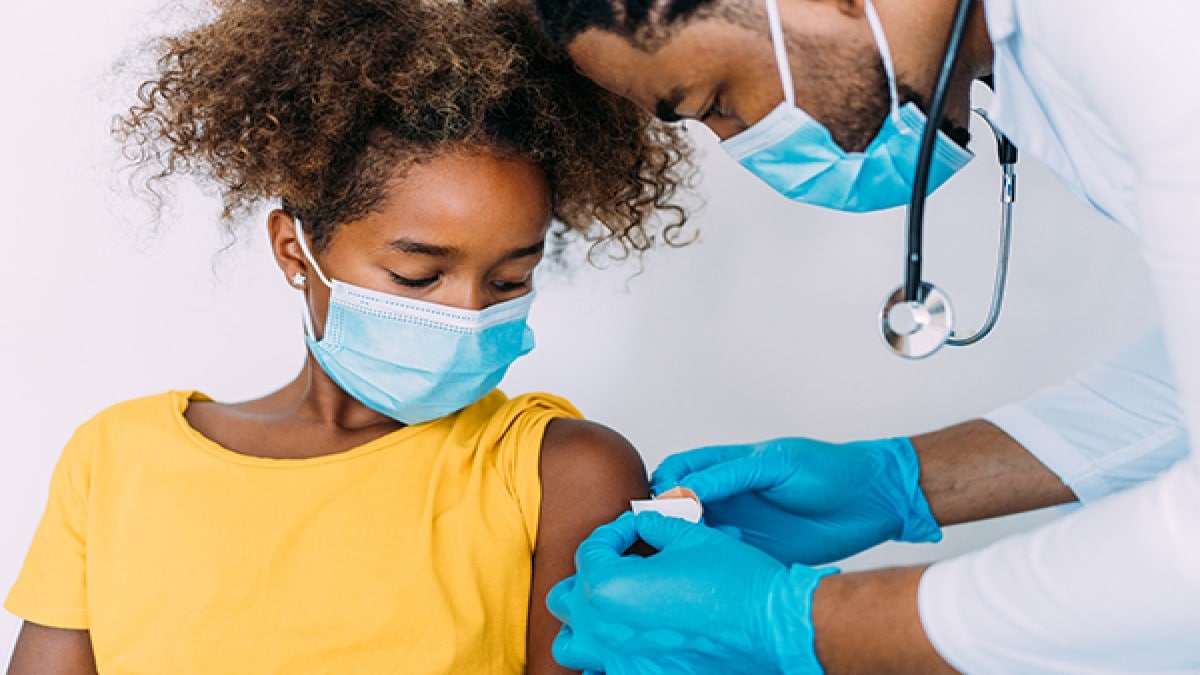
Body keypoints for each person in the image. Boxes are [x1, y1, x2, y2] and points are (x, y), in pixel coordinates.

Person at [3, 1, 695, 672]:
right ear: (295, 251)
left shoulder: (561, 472)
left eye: (510, 280)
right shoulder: (117, 459)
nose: (469, 312)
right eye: (419, 275)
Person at [532, 0, 1200, 672]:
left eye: (717, 102)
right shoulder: (1026, 56)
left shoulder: (1141, 30)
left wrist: (799, 622)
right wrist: (904, 481)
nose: (743, 146)